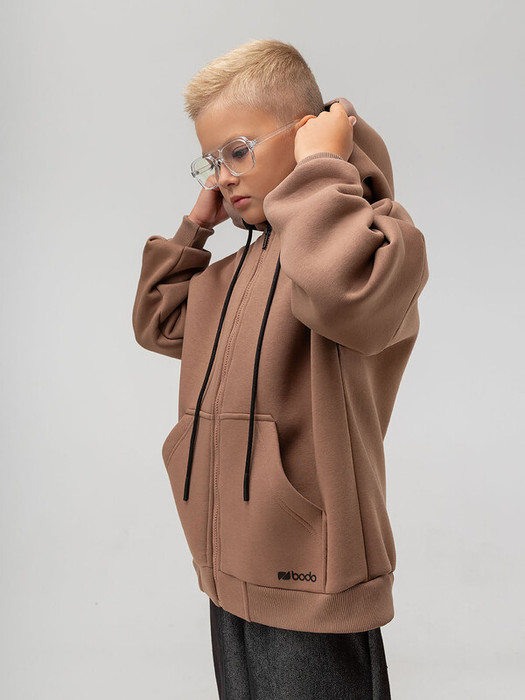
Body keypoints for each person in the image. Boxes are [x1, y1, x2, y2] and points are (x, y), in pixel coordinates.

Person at [132, 38, 429, 699]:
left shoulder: (377, 246)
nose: (223, 177)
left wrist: (323, 167)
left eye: (238, 151)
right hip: (227, 563)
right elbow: (159, 322)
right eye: (212, 161)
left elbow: (342, 293)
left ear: (306, 134)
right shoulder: (234, 273)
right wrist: (195, 229)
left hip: (312, 571)